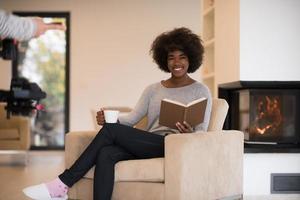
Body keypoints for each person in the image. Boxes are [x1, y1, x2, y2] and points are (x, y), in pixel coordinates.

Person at [23, 27, 212, 200]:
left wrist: (190, 134)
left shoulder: (201, 91)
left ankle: (63, 183)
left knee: (111, 131)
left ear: (191, 59)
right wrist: (107, 119)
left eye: (182, 57)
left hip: (177, 147)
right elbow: (131, 119)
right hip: (150, 143)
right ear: (165, 60)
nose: (177, 62)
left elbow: (202, 133)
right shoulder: (153, 90)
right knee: (106, 153)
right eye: (172, 57)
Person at [0, 10, 66, 41]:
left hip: (6, 24)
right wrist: (60, 27)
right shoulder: (40, 26)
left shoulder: (39, 25)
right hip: (5, 21)